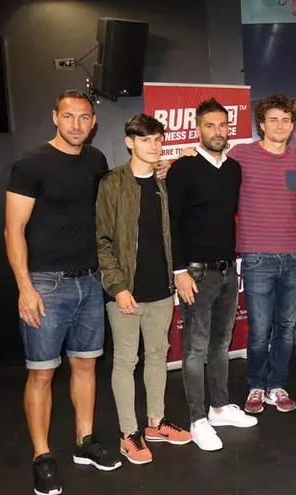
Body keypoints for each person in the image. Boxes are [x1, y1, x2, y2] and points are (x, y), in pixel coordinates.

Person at [6, 89, 121, 495]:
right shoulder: (30, 164)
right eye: (69, 116)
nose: (77, 124)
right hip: (45, 284)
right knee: (41, 373)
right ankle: (42, 457)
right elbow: (14, 230)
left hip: (89, 281)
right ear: (55, 117)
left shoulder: (96, 161)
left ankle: (84, 441)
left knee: (86, 366)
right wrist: (25, 287)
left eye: (84, 117)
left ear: (93, 122)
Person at [95, 113, 192, 465]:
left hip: (161, 288)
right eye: (146, 139)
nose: (154, 146)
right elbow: (103, 240)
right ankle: (128, 434)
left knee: (157, 355)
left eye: (157, 139)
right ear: (129, 142)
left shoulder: (163, 182)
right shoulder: (113, 183)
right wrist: (118, 287)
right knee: (125, 360)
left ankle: (155, 423)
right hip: (126, 290)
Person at [167, 98, 257, 452]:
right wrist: (178, 271)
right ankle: (198, 420)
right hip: (195, 273)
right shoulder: (183, 169)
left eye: (223, 125)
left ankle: (219, 408)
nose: (218, 131)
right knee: (195, 348)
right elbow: (172, 223)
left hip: (227, 270)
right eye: (210, 125)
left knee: (221, 343)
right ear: (197, 129)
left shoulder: (233, 168)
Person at [227, 94, 296, 414]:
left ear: (293, 125)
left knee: (286, 328)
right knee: (260, 331)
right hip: (257, 257)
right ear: (261, 124)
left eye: (286, 120)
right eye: (273, 119)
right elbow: (210, 167)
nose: (280, 125)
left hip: (293, 255)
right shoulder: (241, 154)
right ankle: (256, 386)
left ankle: (278, 386)